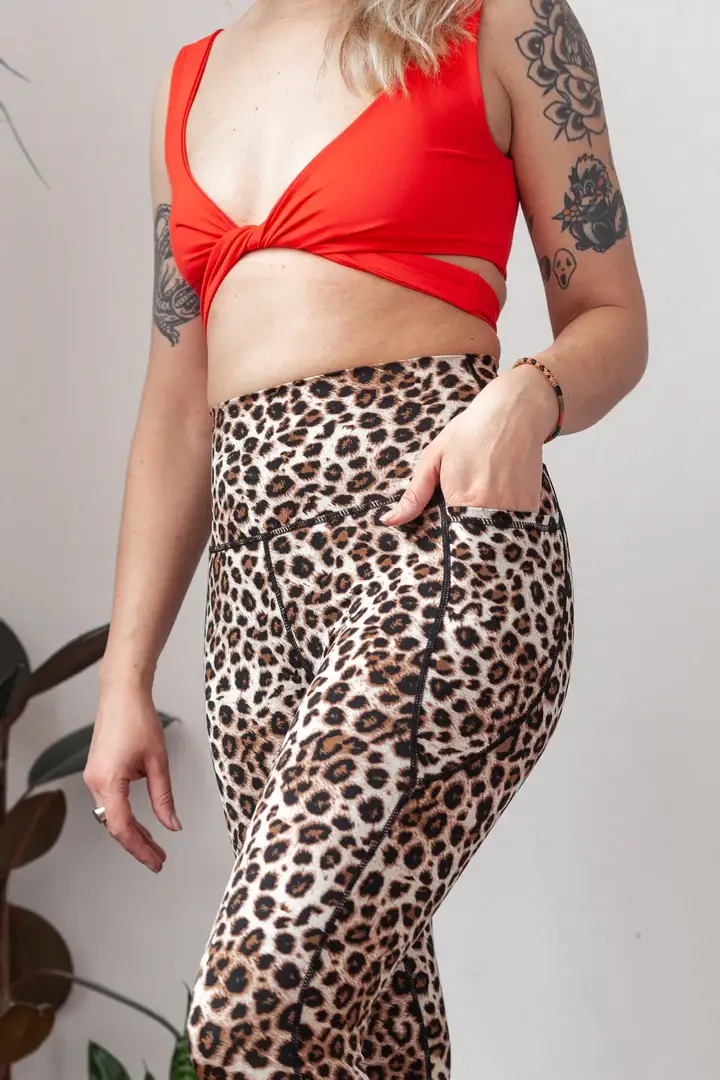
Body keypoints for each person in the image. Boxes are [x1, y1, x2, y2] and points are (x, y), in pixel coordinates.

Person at [84, 0, 647, 1075]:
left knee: (252, 1012)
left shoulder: (498, 21)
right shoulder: (188, 81)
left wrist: (526, 396)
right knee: (363, 1040)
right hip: (252, 607)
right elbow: (176, 413)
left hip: (436, 549)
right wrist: (125, 676)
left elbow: (614, 318)